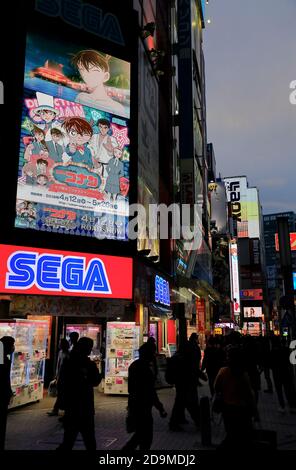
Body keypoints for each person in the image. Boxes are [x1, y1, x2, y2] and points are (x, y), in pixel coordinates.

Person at [57, 337, 101, 450]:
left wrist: (62, 402)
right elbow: (96, 381)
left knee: (68, 440)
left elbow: (62, 382)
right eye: (89, 348)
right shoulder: (88, 363)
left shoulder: (69, 360)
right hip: (85, 407)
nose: (90, 350)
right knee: (89, 441)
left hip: (71, 407)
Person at [122, 343, 167, 450]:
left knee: (140, 436)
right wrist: (160, 408)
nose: (154, 355)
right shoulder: (146, 370)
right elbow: (150, 391)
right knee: (144, 437)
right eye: (153, 353)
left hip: (134, 404)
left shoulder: (134, 366)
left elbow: (131, 389)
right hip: (143, 407)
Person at [214, 345, 258, 448]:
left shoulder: (223, 371)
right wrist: (255, 412)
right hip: (242, 410)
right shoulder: (243, 374)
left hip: (227, 409)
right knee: (241, 435)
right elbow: (249, 395)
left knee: (231, 433)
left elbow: (216, 387)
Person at [71, 50, 126, 116]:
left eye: (94, 71)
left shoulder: (117, 108)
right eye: (82, 70)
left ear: (106, 76)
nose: (86, 75)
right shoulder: (81, 97)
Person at [47, 338, 70, 417]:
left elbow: (64, 367)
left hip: (64, 378)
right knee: (61, 394)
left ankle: (56, 410)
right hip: (60, 376)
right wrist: (56, 375)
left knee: (62, 394)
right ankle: (57, 410)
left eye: (60, 343)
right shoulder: (60, 352)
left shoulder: (68, 354)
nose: (58, 345)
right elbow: (58, 365)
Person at [0, 336, 15, 450]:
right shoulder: (5, 360)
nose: (14, 347)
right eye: (12, 345)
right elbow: (5, 378)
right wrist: (9, 391)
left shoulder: (3, 358)